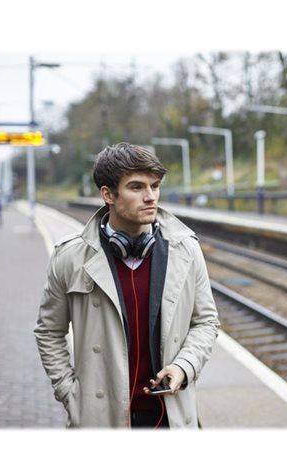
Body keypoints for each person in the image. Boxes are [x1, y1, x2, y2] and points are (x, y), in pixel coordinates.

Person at [34, 142, 220, 429]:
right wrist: (69, 393)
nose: (150, 197)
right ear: (108, 194)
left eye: (155, 186)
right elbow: (49, 331)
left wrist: (185, 366)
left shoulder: (185, 249)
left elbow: (206, 321)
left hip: (170, 416)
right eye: (136, 187)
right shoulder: (70, 258)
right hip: (101, 418)